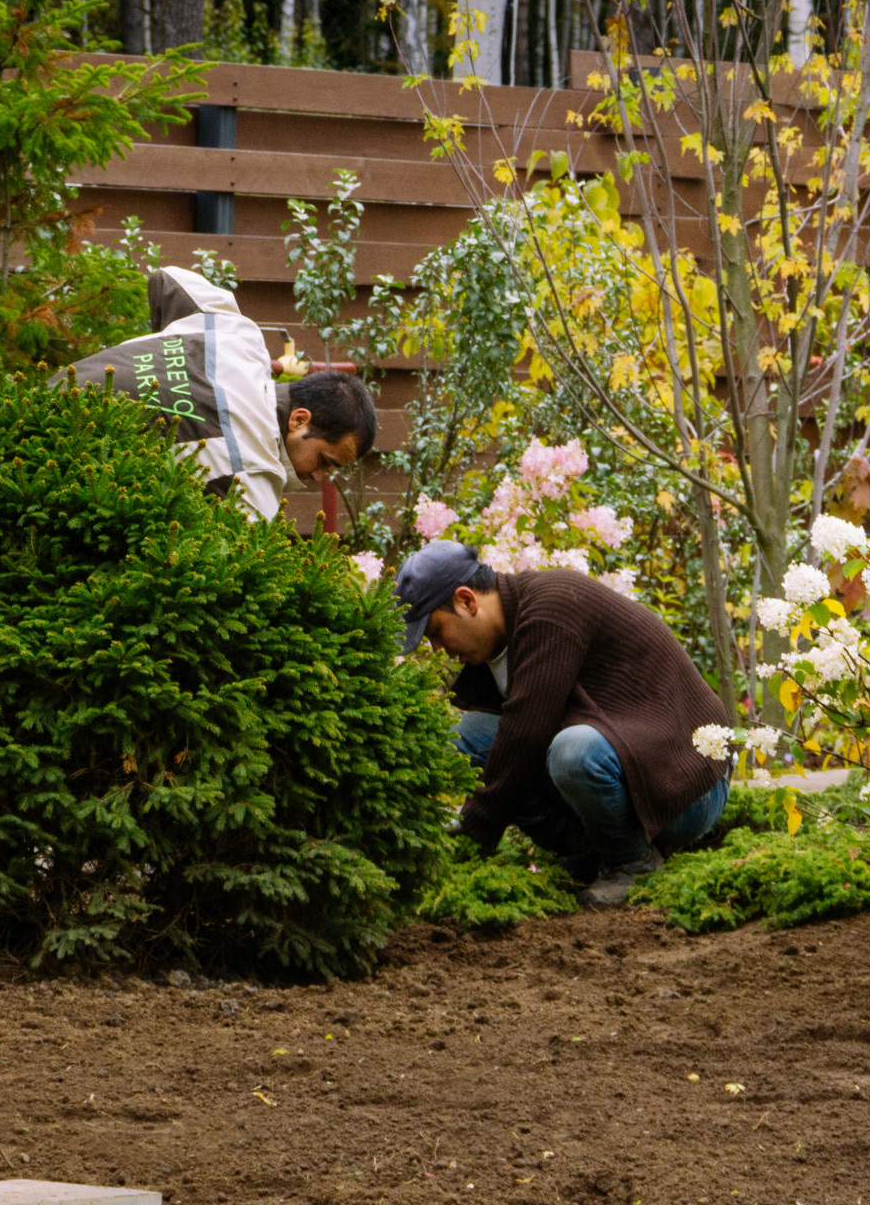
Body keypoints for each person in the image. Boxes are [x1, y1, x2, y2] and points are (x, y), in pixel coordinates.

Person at [396, 539, 730, 907]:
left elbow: (526, 734)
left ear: (466, 601)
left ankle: (631, 864)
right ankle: (582, 857)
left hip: (686, 791)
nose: (438, 649)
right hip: (632, 775)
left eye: (436, 633)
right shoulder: (495, 646)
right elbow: (507, 743)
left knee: (573, 751)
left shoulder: (550, 606)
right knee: (470, 735)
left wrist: (474, 829)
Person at [63, 264, 376, 521]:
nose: (320, 476)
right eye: (324, 460)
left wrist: (169, 360)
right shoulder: (251, 478)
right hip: (54, 463)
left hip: (38, 394)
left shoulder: (238, 336)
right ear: (299, 420)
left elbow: (169, 279)